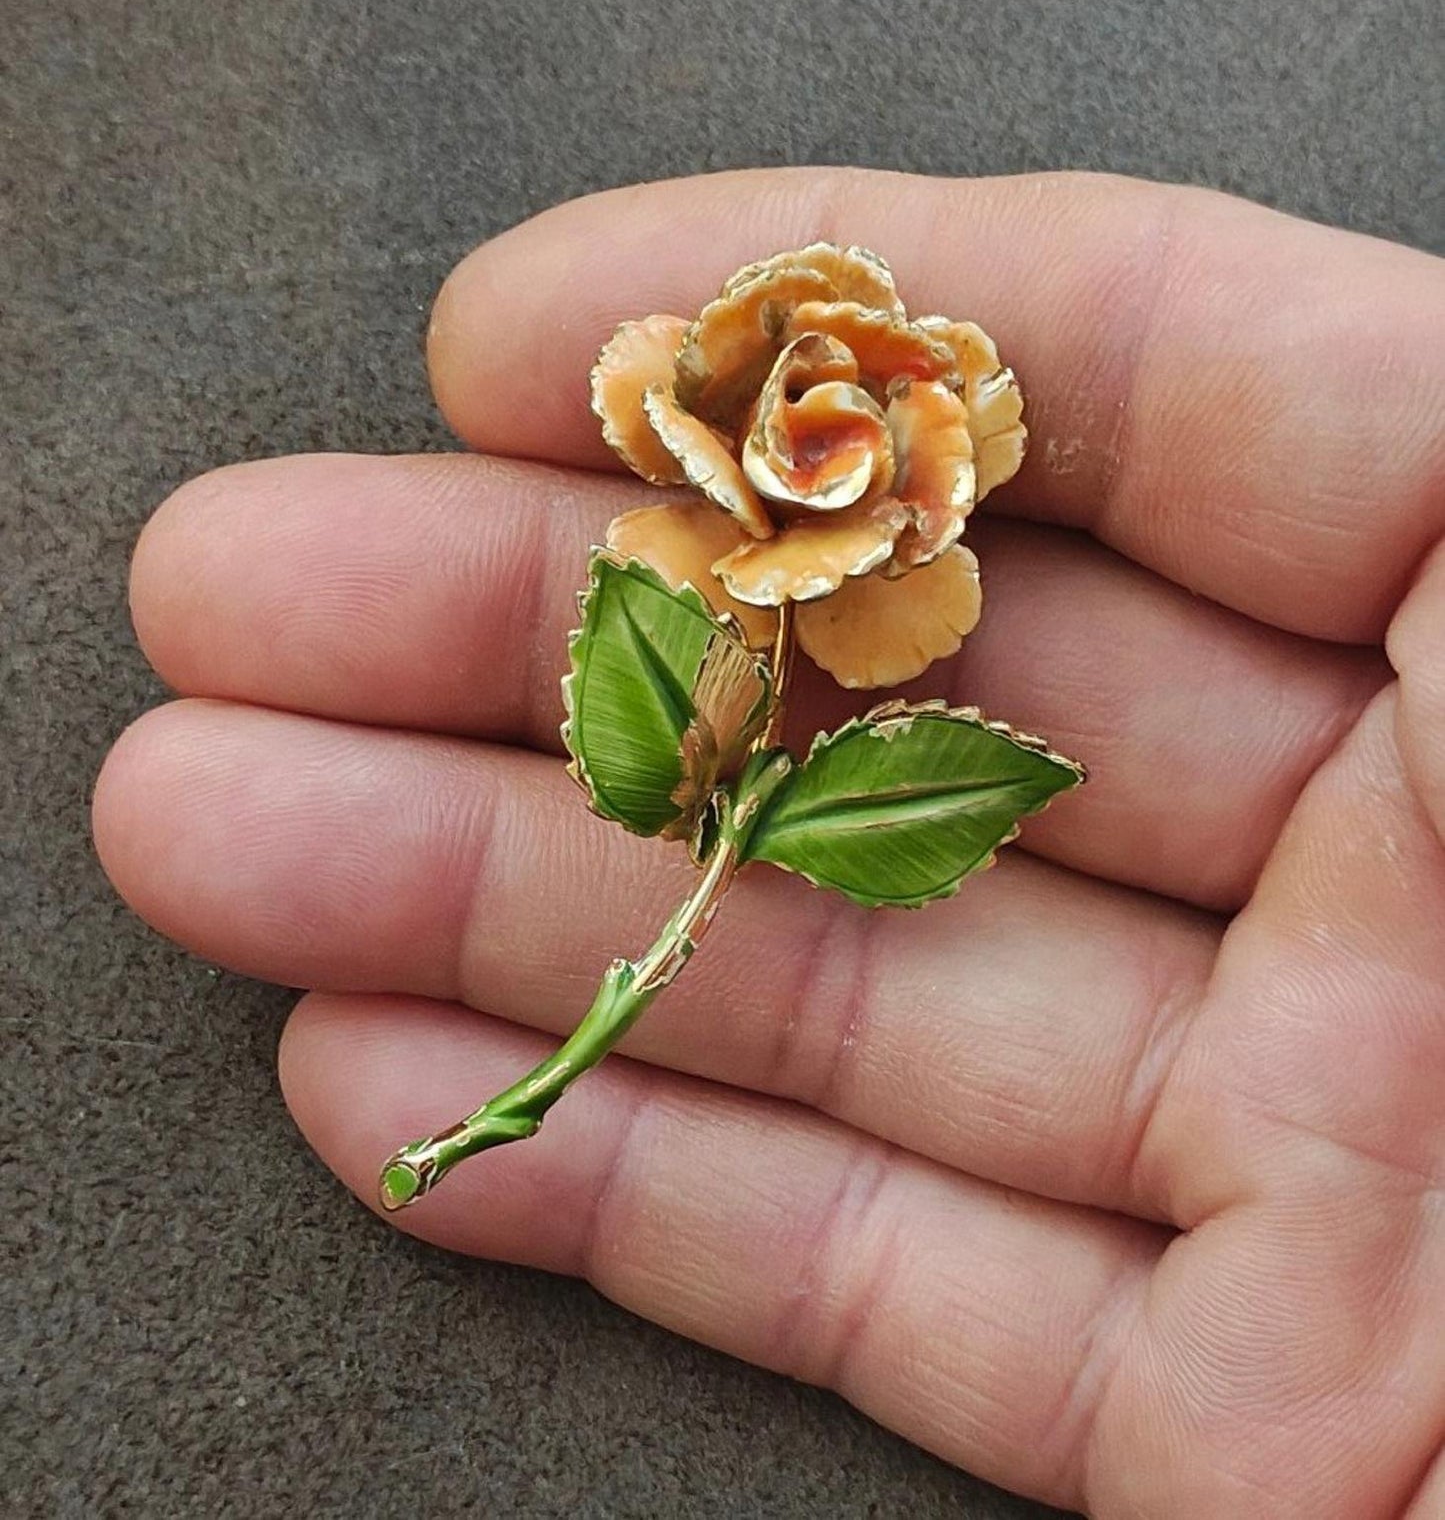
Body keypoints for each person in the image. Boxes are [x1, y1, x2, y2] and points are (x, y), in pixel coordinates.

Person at [92, 169, 1445, 1517]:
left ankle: (486, 1122)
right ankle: (480, 1125)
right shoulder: (680, 535)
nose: (815, 443)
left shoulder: (893, 555)